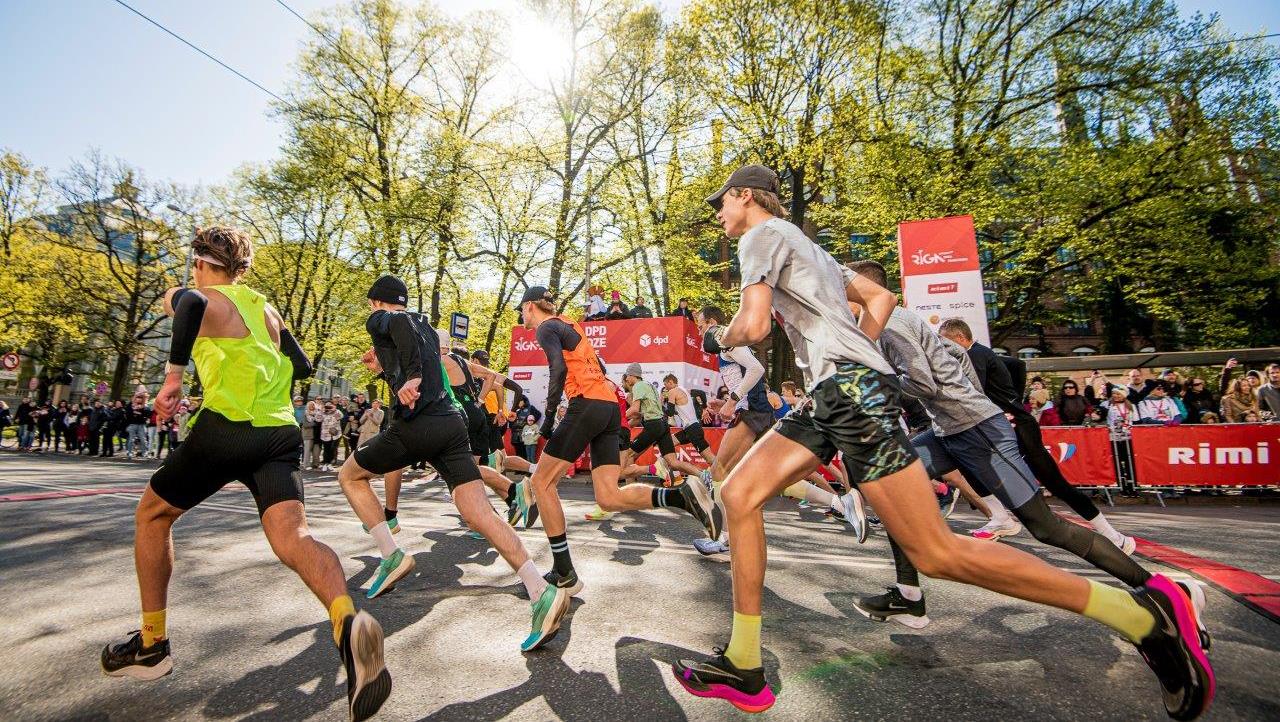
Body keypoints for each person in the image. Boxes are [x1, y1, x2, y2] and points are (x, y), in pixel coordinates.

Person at [672, 165, 1211, 720]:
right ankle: (745, 664)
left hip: (848, 392)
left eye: (721, 203)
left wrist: (718, 336)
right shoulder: (808, 246)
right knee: (738, 495)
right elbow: (879, 298)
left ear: (744, 196)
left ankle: (1142, 618)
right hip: (835, 392)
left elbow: (754, 326)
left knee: (936, 553)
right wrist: (859, 352)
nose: (719, 215)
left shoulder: (761, 236)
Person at [99, 225, 390, 720]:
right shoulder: (266, 309)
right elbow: (296, 364)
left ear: (200, 261)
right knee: (293, 537)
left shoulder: (206, 295)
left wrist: (174, 378)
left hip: (229, 425)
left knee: (152, 515)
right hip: (277, 433)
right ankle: (348, 622)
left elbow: (188, 305)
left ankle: (151, 645)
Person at [336, 275, 552, 658]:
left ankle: (391, 554)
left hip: (416, 425)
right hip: (450, 423)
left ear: (375, 303)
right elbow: (412, 354)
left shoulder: (385, 318)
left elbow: (397, 327)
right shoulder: (426, 328)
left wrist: (413, 377)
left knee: (349, 475)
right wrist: (391, 371)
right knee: (478, 512)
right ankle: (540, 589)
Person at [513, 285, 717, 651]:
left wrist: (546, 423)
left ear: (531, 307)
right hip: (609, 408)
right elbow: (595, 368)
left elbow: (558, 370)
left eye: (522, 312)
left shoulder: (546, 327)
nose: (523, 319)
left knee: (541, 483)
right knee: (607, 496)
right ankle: (680, 495)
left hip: (587, 404)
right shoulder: (569, 324)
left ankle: (563, 571)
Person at [939, 319, 1135, 551]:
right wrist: (1013, 400)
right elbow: (1017, 364)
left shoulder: (974, 356)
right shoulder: (983, 353)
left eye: (946, 343)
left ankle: (1113, 536)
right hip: (1004, 424)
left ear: (961, 338)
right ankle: (1000, 517)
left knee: (1054, 482)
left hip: (1018, 427)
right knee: (965, 462)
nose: (945, 350)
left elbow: (973, 392)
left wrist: (1012, 406)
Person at [319, 401, 343, 471]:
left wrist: (334, 410)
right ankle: (325, 464)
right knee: (326, 449)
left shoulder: (336, 411)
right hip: (325, 435)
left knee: (333, 449)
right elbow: (318, 419)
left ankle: (329, 464)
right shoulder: (322, 413)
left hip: (335, 434)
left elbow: (341, 417)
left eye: (330, 405)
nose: (328, 407)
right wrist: (320, 410)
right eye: (327, 406)